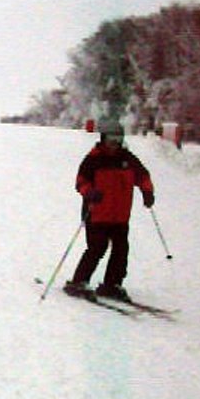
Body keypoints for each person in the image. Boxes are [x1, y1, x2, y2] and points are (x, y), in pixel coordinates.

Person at [64, 118, 155, 300]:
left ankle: (112, 284)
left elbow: (143, 176)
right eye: (111, 139)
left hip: (120, 216)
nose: (115, 144)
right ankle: (78, 282)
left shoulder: (127, 159)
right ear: (103, 138)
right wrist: (89, 193)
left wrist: (147, 192)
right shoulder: (94, 159)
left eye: (118, 139)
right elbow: (81, 182)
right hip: (96, 214)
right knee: (97, 248)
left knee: (121, 250)